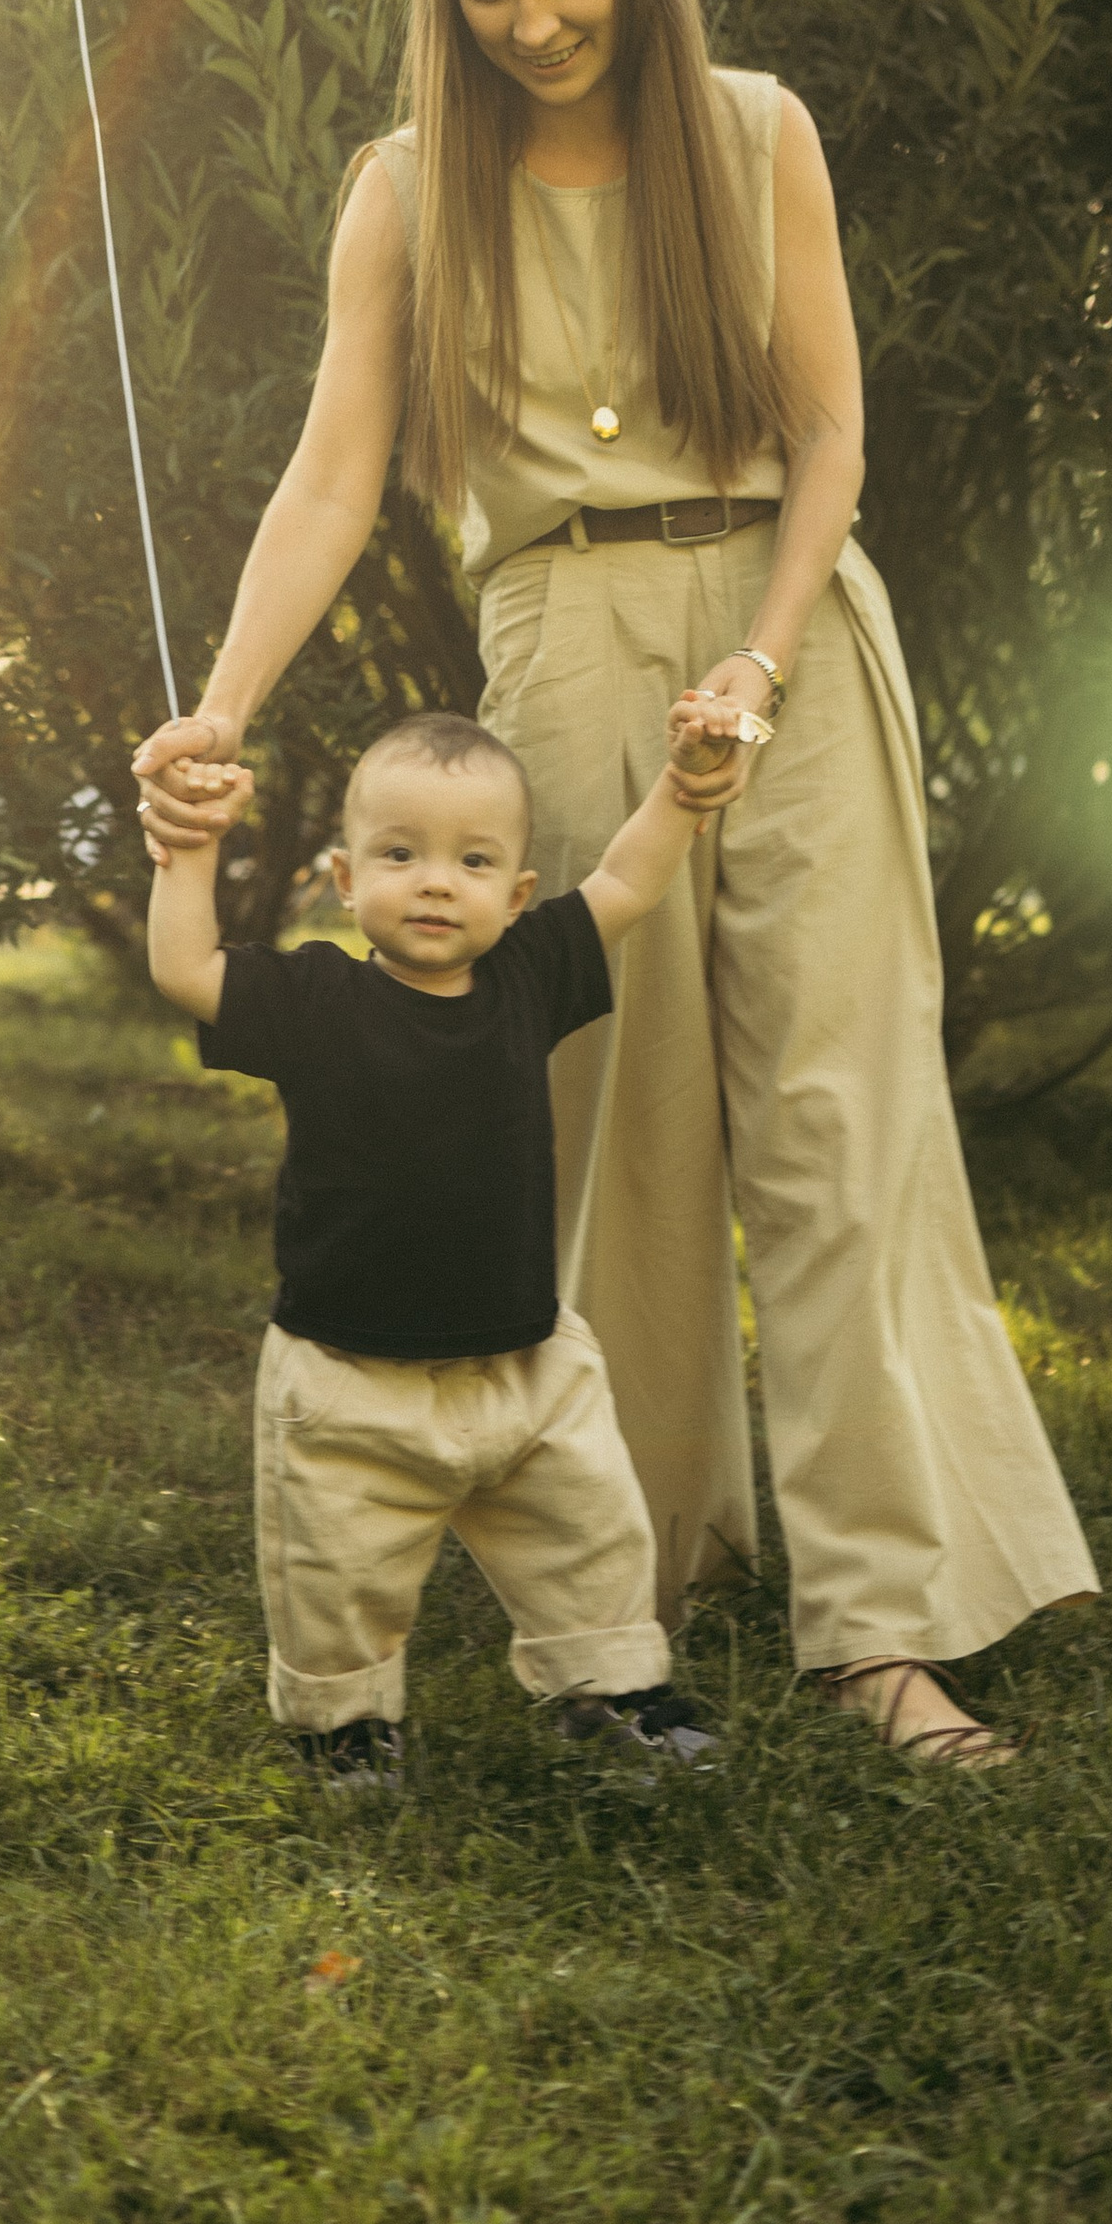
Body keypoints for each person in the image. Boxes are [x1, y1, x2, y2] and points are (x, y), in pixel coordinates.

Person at [136, 0, 1096, 1771]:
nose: (531, 23)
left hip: (787, 623)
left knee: (839, 1119)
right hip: (557, 639)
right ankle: (627, 1576)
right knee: (606, 1103)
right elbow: (333, 470)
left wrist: (755, 656)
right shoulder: (403, 187)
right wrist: (216, 708)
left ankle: (884, 1626)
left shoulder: (752, 136)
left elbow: (829, 436)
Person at [149, 700, 744, 1791]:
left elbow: (623, 883)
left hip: (524, 1363)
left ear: (516, 896)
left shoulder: (526, 977)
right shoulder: (317, 999)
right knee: (337, 1569)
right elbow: (187, 969)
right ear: (342, 876)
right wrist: (191, 844)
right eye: (400, 853)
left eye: (473, 861)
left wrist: (681, 787)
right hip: (349, 1375)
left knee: (589, 1535)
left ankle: (611, 1693)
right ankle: (346, 1725)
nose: (435, 880)